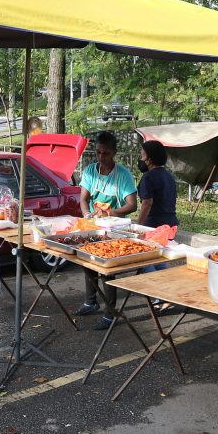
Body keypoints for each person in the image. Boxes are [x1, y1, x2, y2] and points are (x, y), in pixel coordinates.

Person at [75, 131, 138, 329]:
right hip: (95, 226)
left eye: (106, 153)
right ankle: (90, 301)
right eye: (99, 152)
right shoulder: (90, 172)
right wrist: (87, 216)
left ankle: (111, 313)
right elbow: (84, 199)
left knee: (106, 268)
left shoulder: (123, 175)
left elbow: (132, 205)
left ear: (114, 153)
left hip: (116, 228)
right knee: (87, 262)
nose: (102, 157)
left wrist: (111, 212)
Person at [135, 139, 179, 312]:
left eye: (142, 155)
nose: (141, 158)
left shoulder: (148, 177)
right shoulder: (169, 176)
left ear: (150, 158)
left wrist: (138, 226)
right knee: (160, 261)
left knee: (146, 261)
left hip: (153, 227)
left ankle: (160, 296)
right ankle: (167, 297)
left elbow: (147, 203)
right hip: (170, 225)